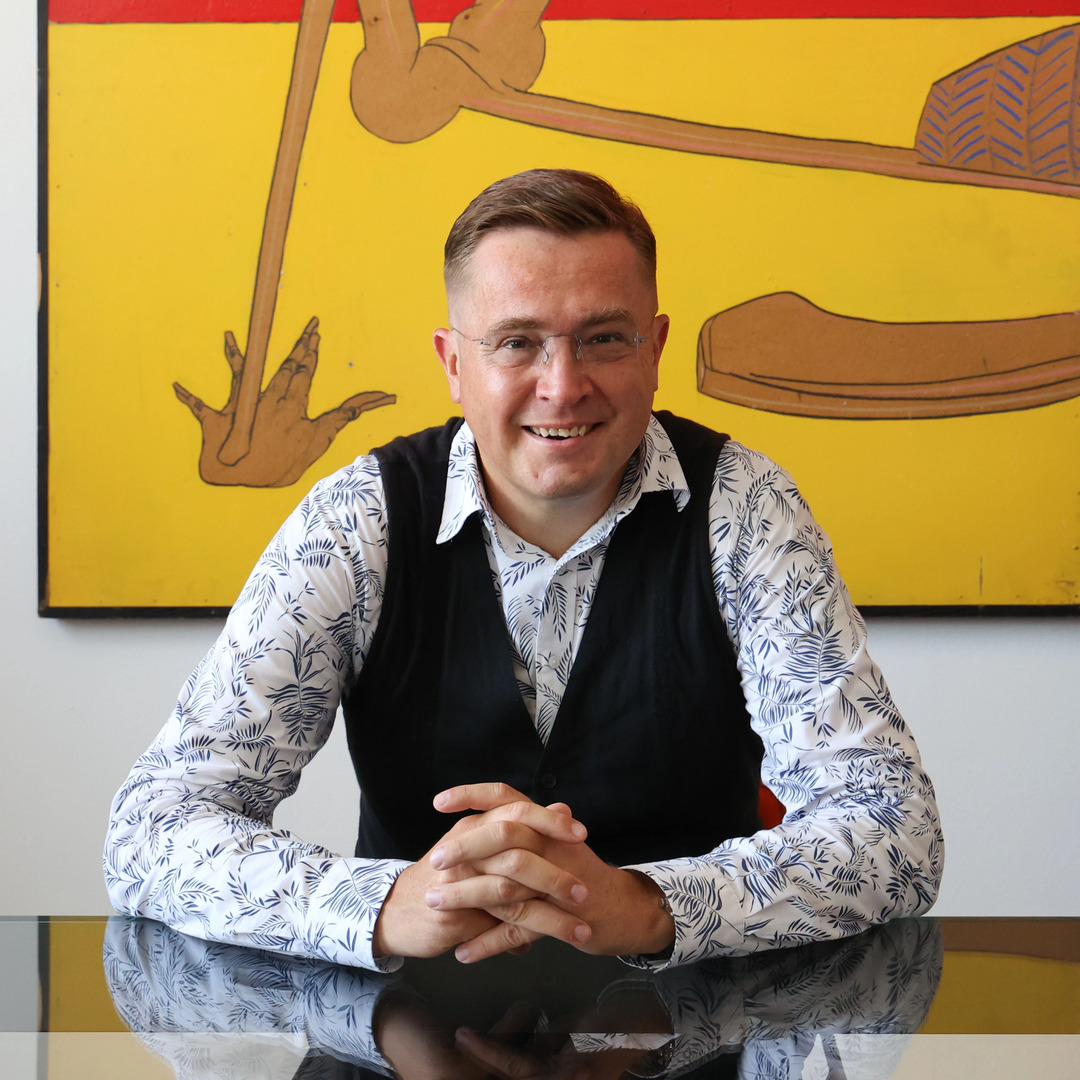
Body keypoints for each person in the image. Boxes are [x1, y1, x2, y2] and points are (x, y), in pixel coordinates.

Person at [104, 169, 942, 972]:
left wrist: (650, 905)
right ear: (454, 364)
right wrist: (385, 905)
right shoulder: (356, 523)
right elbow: (151, 829)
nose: (563, 385)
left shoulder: (746, 509)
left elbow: (896, 831)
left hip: (696, 1027)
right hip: (405, 1027)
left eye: (603, 339)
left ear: (654, 348)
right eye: (517, 343)